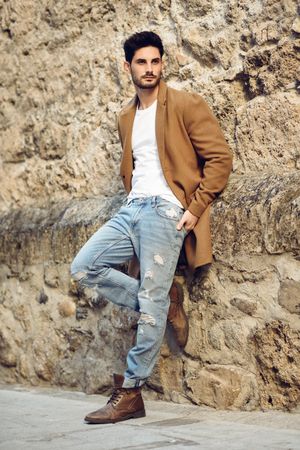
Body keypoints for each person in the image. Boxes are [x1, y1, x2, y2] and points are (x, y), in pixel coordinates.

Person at [70, 31, 232, 424]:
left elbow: (220, 159)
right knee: (84, 267)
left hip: (165, 212)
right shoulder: (126, 117)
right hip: (132, 210)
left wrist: (194, 208)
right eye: (141, 62)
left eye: (155, 61)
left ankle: (131, 392)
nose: (149, 69)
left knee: (149, 308)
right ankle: (163, 303)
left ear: (162, 63)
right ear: (127, 67)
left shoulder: (185, 104)